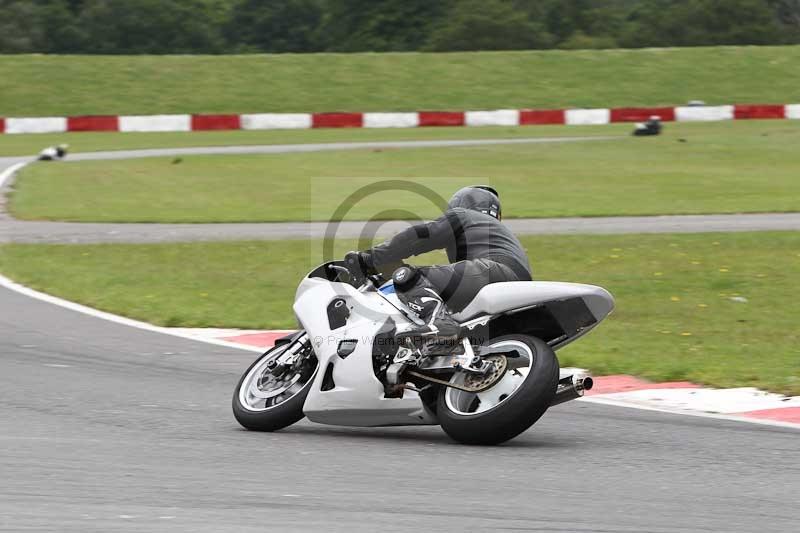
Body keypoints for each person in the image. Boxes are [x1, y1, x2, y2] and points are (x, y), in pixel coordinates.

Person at [351, 185, 532, 354]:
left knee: (408, 276)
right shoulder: (495, 233)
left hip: (494, 271)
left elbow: (417, 238)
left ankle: (440, 325)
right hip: (519, 287)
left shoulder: (463, 216)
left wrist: (370, 257)